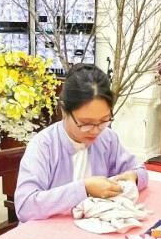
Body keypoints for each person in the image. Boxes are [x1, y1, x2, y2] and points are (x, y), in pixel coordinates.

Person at [15, 64, 148, 222]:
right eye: (86, 123)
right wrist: (84, 188)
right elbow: (25, 207)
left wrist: (133, 177)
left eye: (104, 120)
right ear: (64, 111)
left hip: (94, 230)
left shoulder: (107, 138)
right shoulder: (44, 145)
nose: (95, 130)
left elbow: (141, 171)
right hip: (50, 235)